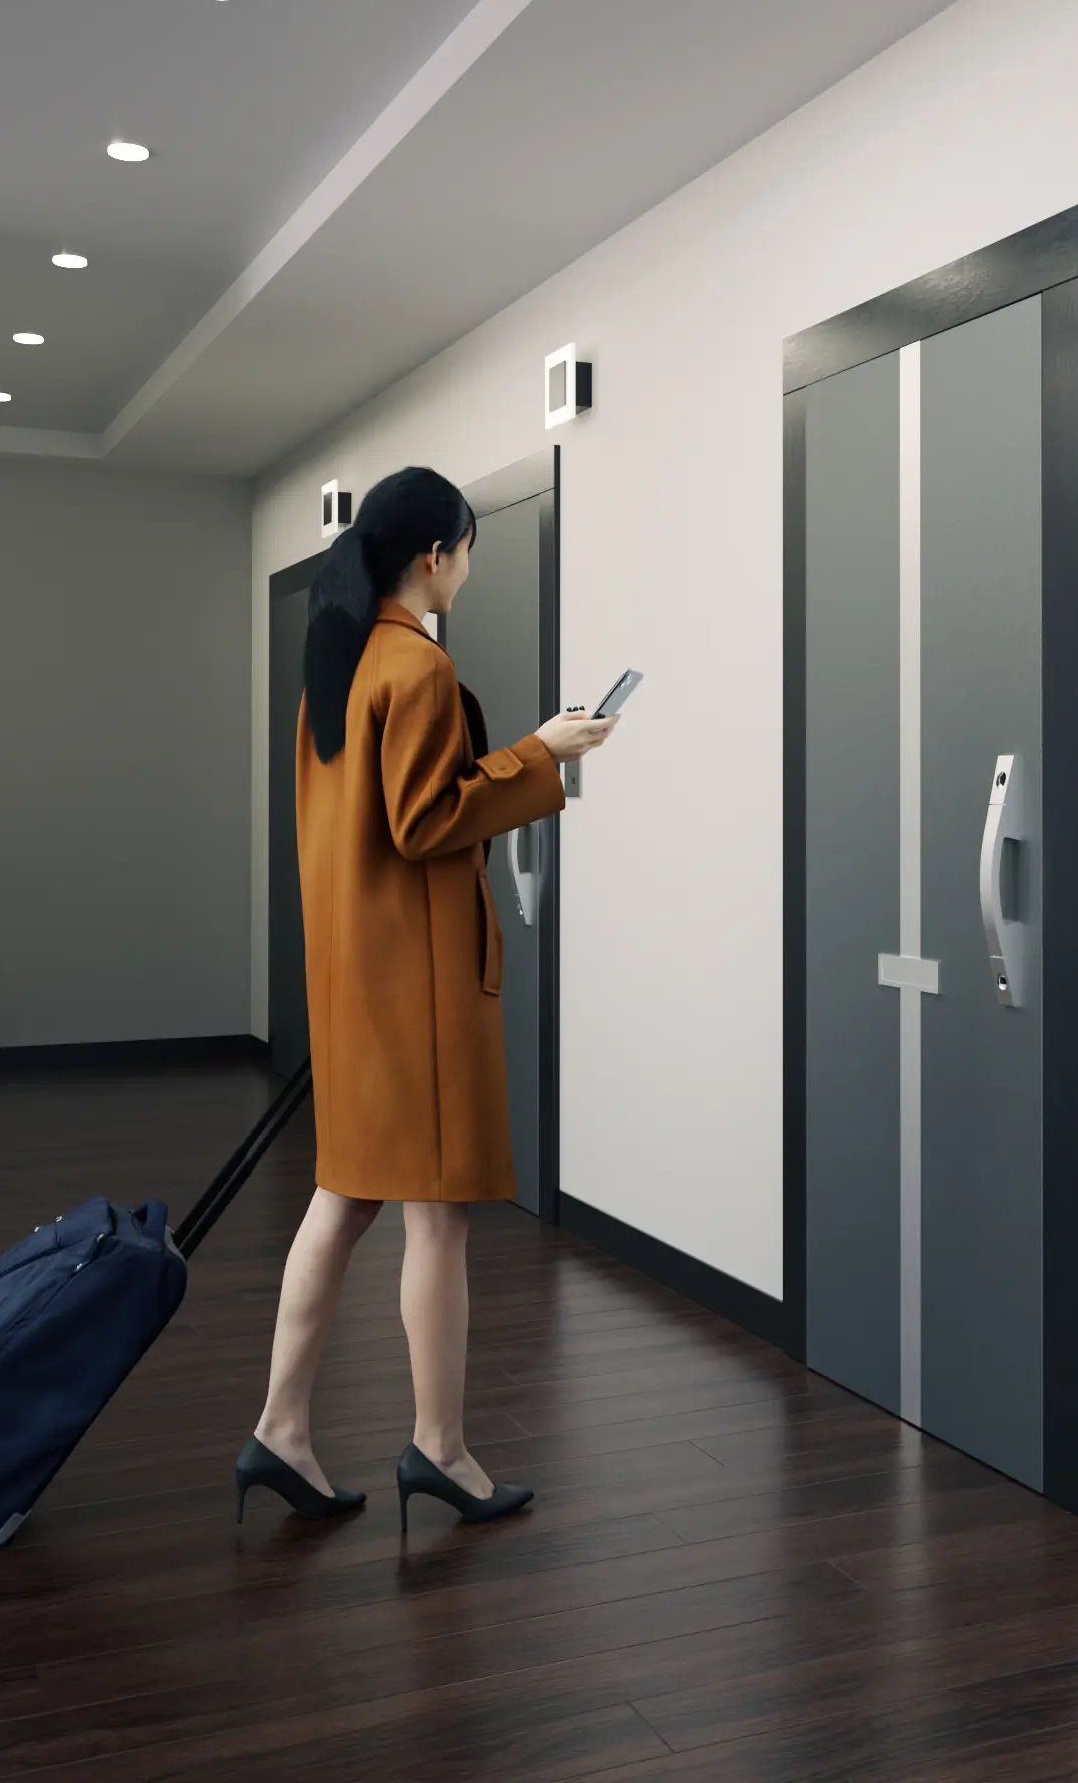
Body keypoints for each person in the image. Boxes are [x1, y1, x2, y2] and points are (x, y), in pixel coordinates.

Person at [234, 467, 615, 1529]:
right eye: (466, 548)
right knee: (436, 1219)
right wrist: (544, 754)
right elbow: (423, 820)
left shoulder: (340, 665)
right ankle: (438, 1447)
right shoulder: (416, 667)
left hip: (355, 980)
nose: (468, 567)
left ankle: (282, 1427)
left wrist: (524, 752)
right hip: (418, 989)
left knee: (343, 1198)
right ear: (434, 555)